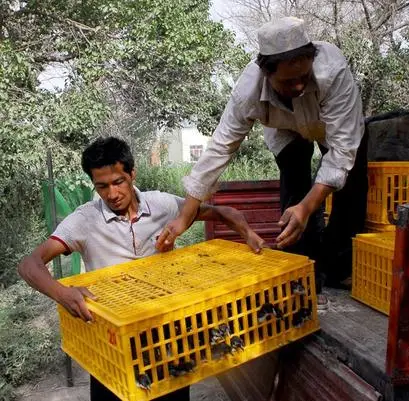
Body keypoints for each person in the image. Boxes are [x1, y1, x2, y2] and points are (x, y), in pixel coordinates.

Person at [18, 137, 265, 401]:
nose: (112, 194)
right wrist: (62, 293)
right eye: (101, 186)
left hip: (167, 336)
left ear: (132, 174)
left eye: (118, 182)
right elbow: (29, 265)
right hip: (112, 347)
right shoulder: (84, 220)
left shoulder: (162, 205)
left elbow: (223, 212)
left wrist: (248, 234)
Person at [156, 17, 368, 307]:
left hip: (331, 125)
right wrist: (185, 215)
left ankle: (339, 266)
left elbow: (343, 149)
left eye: (303, 78)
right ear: (266, 72)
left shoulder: (333, 69)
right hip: (283, 129)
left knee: (350, 184)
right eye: (286, 81)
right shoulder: (248, 90)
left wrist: (308, 207)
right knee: (294, 188)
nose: (296, 87)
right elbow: (220, 148)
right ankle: (302, 273)